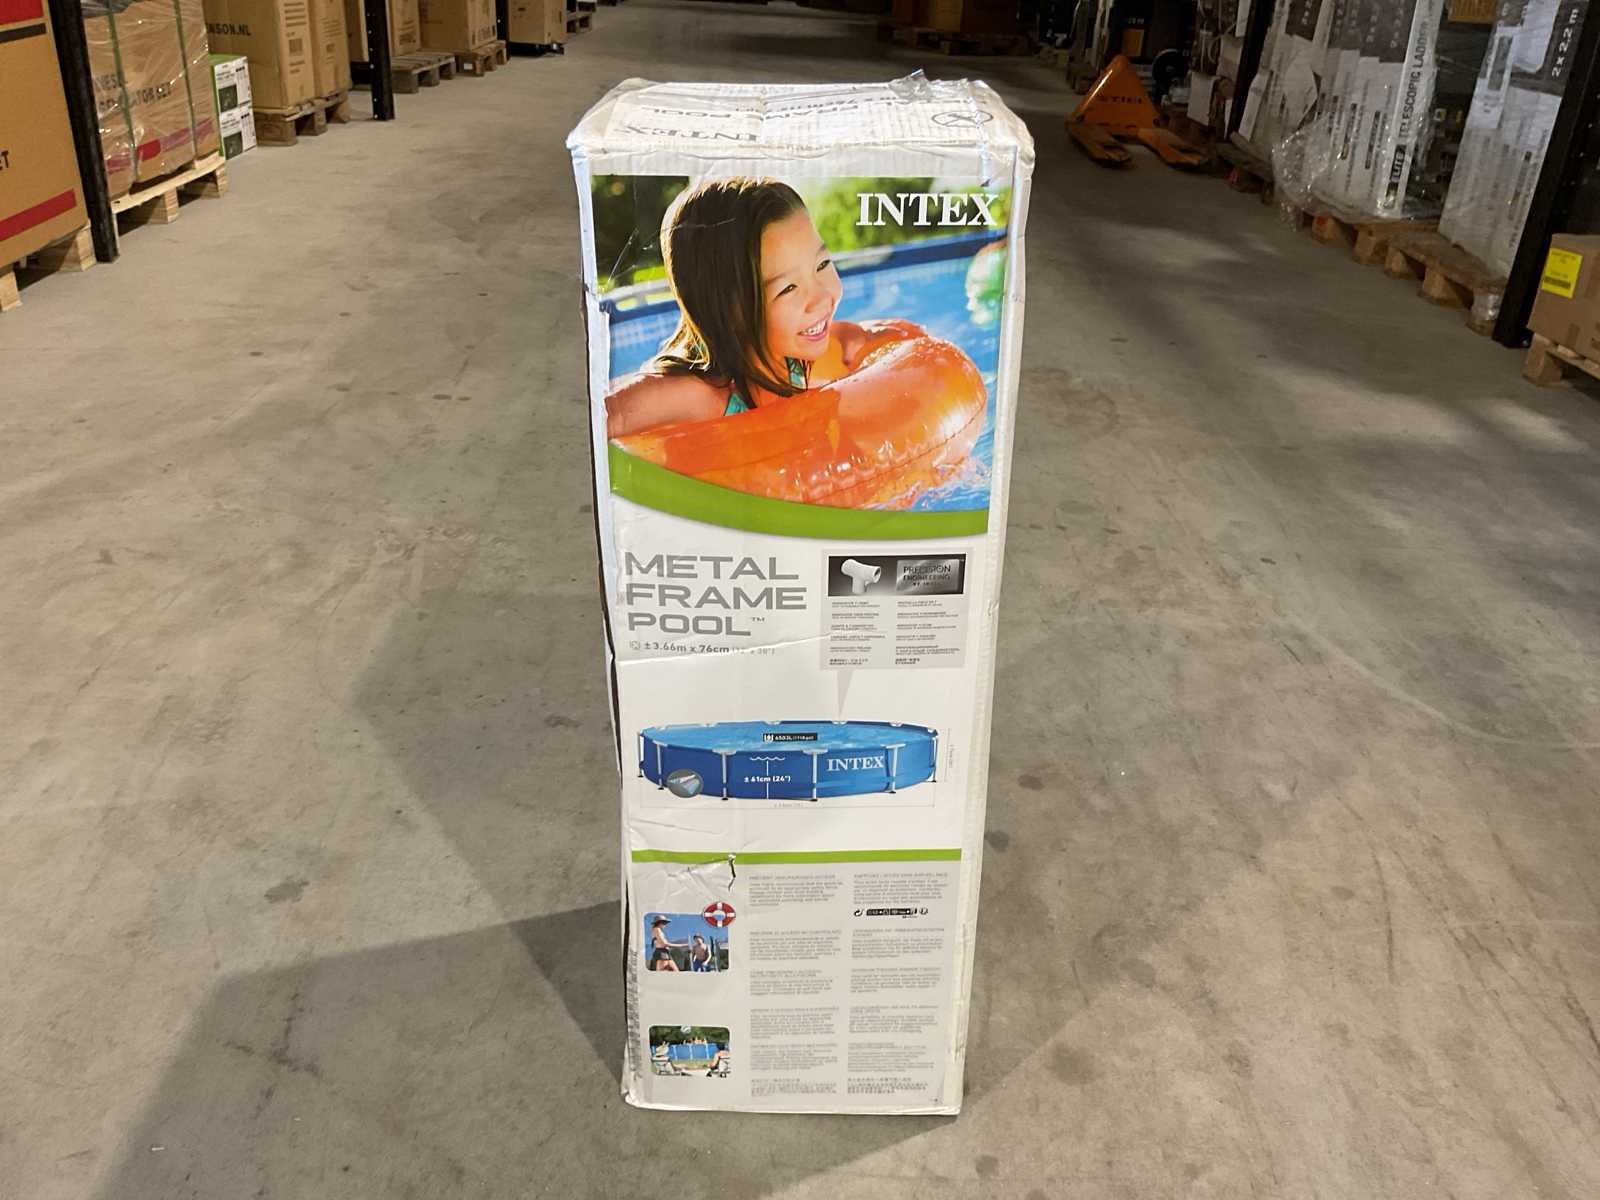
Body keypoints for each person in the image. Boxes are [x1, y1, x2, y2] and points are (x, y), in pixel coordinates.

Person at [605, 178, 884, 439]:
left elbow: (844, 337)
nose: (822, 298)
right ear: (729, 310)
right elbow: (606, 413)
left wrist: (855, 340)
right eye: (788, 288)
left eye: (822, 265)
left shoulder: (790, 359)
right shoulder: (702, 396)